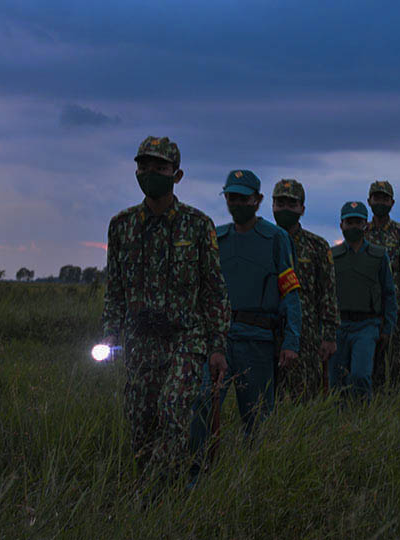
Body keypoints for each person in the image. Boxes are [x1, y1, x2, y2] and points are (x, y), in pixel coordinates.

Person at [101, 136, 230, 479]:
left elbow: (214, 290)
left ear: (177, 175)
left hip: (185, 341)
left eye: (160, 168)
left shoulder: (198, 225)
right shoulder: (122, 226)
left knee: (173, 413)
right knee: (140, 425)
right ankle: (150, 492)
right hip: (140, 343)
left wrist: (217, 345)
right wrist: (110, 335)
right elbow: (115, 290)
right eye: (144, 166)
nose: (150, 173)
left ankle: (161, 491)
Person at [196, 170, 301, 438]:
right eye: (232, 197)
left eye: (244, 198)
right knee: (202, 406)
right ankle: (200, 463)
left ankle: (257, 462)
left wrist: (291, 341)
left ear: (258, 200)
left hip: (258, 341)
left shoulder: (276, 238)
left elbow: (290, 293)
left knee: (258, 418)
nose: (237, 204)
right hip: (219, 340)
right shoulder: (216, 238)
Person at [271, 179, 340, 400]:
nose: (285, 209)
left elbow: (328, 293)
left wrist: (329, 336)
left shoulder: (317, 246)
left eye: (292, 204)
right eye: (280, 203)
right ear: (272, 205)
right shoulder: (264, 240)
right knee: (268, 398)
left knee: (305, 397)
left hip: (307, 335)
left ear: (302, 208)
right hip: (268, 332)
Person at [329, 201, 398, 399]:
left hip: (367, 326)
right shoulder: (332, 256)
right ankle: (339, 415)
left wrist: (388, 328)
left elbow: (389, 293)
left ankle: (362, 413)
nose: (353, 227)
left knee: (360, 375)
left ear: (365, 225)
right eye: (349, 222)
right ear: (341, 225)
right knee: (336, 380)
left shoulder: (379, 255)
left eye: (358, 222)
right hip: (339, 325)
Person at [363, 180, 400, 387]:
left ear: (392, 203)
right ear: (369, 201)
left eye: (385, 199)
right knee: (371, 361)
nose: (380, 202)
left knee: (398, 361)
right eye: (376, 198)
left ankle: (399, 401)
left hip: (396, 308)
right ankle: (373, 401)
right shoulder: (362, 231)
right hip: (368, 308)